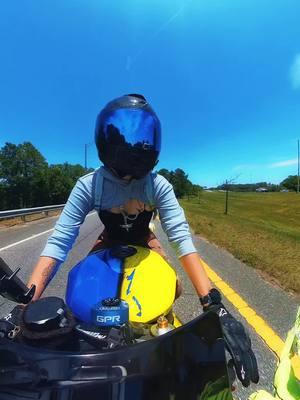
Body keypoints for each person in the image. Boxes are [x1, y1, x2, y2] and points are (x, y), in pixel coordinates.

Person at [27, 94, 259, 387]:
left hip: (144, 239)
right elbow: (61, 239)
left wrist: (213, 304)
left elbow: (180, 236)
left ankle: (160, 326)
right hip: (109, 239)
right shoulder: (92, 184)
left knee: (170, 287)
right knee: (84, 290)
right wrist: (28, 302)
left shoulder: (156, 184)